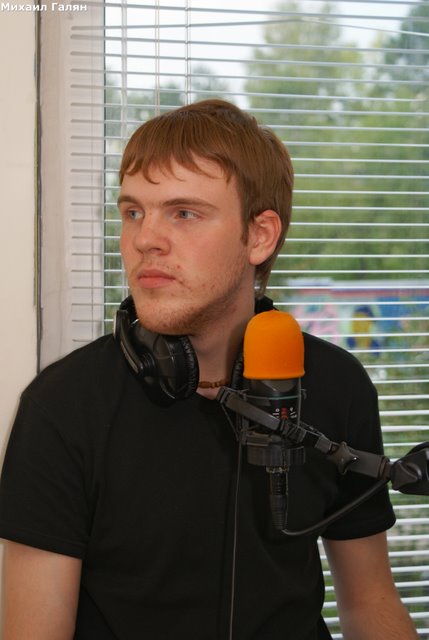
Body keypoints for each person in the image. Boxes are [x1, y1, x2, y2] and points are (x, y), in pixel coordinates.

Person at [0, 99, 418, 640]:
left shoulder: (338, 385)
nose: (144, 239)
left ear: (259, 235)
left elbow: (369, 602)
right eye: (133, 212)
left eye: (184, 213)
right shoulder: (63, 406)